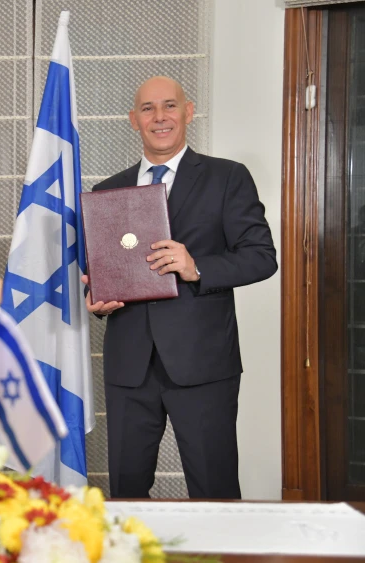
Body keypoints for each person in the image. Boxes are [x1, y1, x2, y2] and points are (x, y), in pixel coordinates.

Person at [83, 76, 276, 499]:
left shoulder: (228, 178)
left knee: (215, 491)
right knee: (126, 495)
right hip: (129, 368)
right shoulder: (106, 192)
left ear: (188, 112)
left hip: (203, 365)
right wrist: (95, 300)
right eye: (148, 109)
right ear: (133, 120)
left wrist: (196, 267)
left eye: (169, 106)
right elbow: (97, 273)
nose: (160, 117)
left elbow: (262, 257)